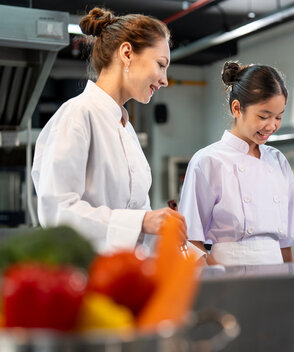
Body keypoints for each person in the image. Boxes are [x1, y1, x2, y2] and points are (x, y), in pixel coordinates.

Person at [32, 7, 202, 257]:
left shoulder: (126, 129)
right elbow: (58, 213)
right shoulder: (77, 115)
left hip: (128, 274)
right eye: (161, 64)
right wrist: (143, 221)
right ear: (126, 53)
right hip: (87, 274)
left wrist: (194, 257)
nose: (165, 80)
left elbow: (141, 233)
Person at [178, 61, 294, 266]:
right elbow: (190, 240)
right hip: (229, 272)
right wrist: (219, 279)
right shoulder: (209, 161)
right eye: (263, 116)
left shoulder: (278, 161)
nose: (272, 126)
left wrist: (290, 282)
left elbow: (286, 242)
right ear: (237, 108)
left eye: (278, 117)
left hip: (276, 272)